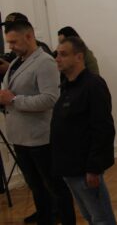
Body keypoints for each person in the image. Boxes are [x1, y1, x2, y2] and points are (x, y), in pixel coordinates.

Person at [0, 20, 76, 225]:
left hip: (40, 138)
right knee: (36, 186)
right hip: (21, 136)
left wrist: (13, 100)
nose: (10, 47)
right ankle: (45, 218)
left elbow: (50, 99)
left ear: (29, 36)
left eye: (14, 42)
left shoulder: (45, 62)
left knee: (55, 187)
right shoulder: (16, 62)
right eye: (8, 42)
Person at [51, 36, 116, 225]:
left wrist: (94, 168)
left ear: (79, 57)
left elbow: (103, 128)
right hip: (70, 166)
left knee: (101, 218)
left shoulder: (93, 85)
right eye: (57, 54)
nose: (57, 59)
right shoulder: (67, 85)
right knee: (89, 216)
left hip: (84, 167)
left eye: (63, 54)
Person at [0, 12, 53, 80]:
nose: (7, 30)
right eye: (6, 27)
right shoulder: (17, 51)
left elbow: (40, 74)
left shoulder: (41, 50)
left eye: (12, 27)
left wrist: (9, 70)